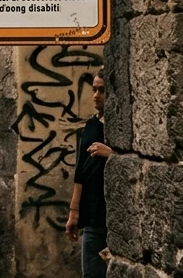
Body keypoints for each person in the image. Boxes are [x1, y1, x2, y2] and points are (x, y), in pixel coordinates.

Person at [67, 74, 109, 278]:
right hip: (93, 214)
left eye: (102, 90)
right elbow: (80, 172)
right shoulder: (91, 125)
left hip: (113, 213)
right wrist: (74, 212)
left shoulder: (118, 126)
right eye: (94, 89)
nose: (96, 95)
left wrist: (111, 154)